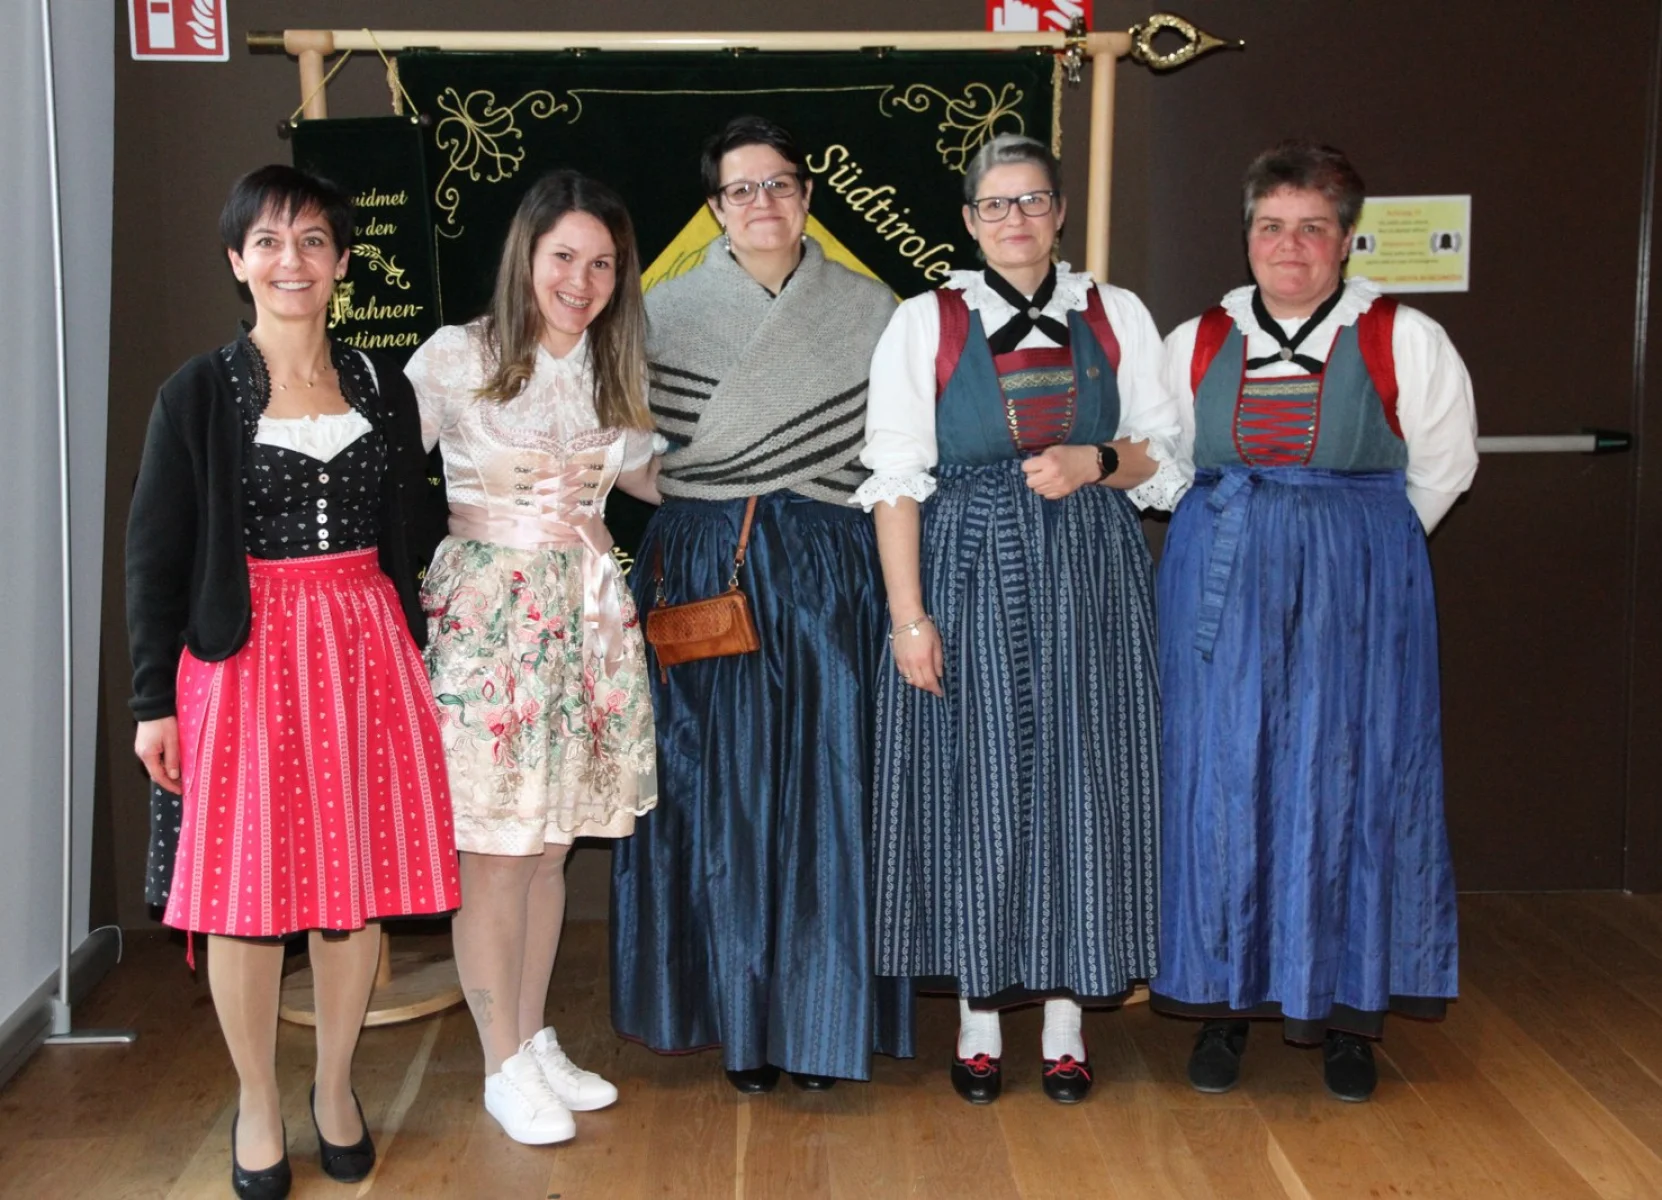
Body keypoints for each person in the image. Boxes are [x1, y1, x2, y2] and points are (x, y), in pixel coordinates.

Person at [126, 165, 461, 1200]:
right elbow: (154, 556)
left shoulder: (382, 385)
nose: (292, 261)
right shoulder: (196, 393)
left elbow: (413, 530)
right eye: (268, 242)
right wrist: (152, 702)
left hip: (363, 650)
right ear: (238, 262)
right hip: (245, 662)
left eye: (313, 241)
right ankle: (258, 1102)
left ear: (342, 262)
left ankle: (335, 1088)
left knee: (351, 888)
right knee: (244, 897)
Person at [860, 133, 1184, 1105]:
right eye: (996, 204)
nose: (1016, 219)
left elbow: (1165, 456)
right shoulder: (925, 322)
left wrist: (1096, 461)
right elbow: (895, 478)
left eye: (1033, 200)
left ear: (1059, 212)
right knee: (981, 784)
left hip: (1090, 570)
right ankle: (977, 1021)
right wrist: (908, 617)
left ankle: (1066, 1026)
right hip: (968, 566)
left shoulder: (1116, 313)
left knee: (1084, 781)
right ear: (969, 220)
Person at [1153, 140, 1477, 1102]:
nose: (1288, 246)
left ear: (1345, 240)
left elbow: (1445, 468)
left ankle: (1346, 1015)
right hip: (1222, 587)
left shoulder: (1402, 337)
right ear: (1246, 235)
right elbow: (1166, 464)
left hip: (1357, 592)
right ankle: (1224, 1005)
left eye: (1311, 228)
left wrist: (1355, 555)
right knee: (1223, 780)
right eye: (1270, 226)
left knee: (1350, 781)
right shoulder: (1197, 339)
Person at [610, 114, 914, 1092]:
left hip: (830, 569)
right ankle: (737, 1025)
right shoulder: (660, 313)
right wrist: (702, 495)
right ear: (714, 208)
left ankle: (819, 1026)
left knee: (829, 790)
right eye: (741, 189)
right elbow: (625, 449)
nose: (763, 203)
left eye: (780, 183)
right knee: (720, 797)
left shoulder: (872, 309)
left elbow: (900, 455)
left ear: (808, 195)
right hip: (709, 570)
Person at [403, 170, 659, 1145]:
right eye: (564, 258)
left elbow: (659, 478)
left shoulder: (615, 370)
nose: (580, 282)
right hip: (491, 625)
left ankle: (530, 1035)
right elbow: (384, 475)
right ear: (528, 256)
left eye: (602, 265)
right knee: (497, 852)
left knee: (551, 847)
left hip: (585, 620)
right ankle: (499, 1063)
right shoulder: (455, 356)